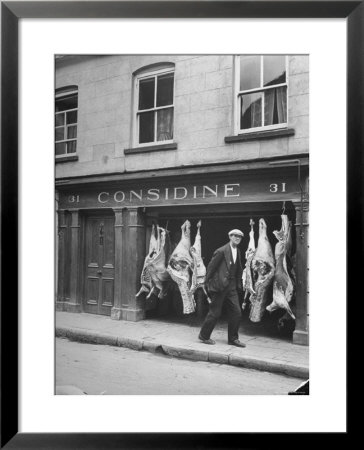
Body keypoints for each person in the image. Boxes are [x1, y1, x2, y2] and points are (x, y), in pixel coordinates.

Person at [198, 229, 246, 347]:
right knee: (215, 312)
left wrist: (239, 284)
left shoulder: (238, 251)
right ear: (230, 237)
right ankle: (204, 336)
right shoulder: (221, 251)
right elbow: (211, 267)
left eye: (239, 236)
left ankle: (233, 339)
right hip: (219, 286)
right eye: (235, 236)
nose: (237, 238)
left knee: (237, 312)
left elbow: (238, 268)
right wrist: (206, 283)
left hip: (232, 286)